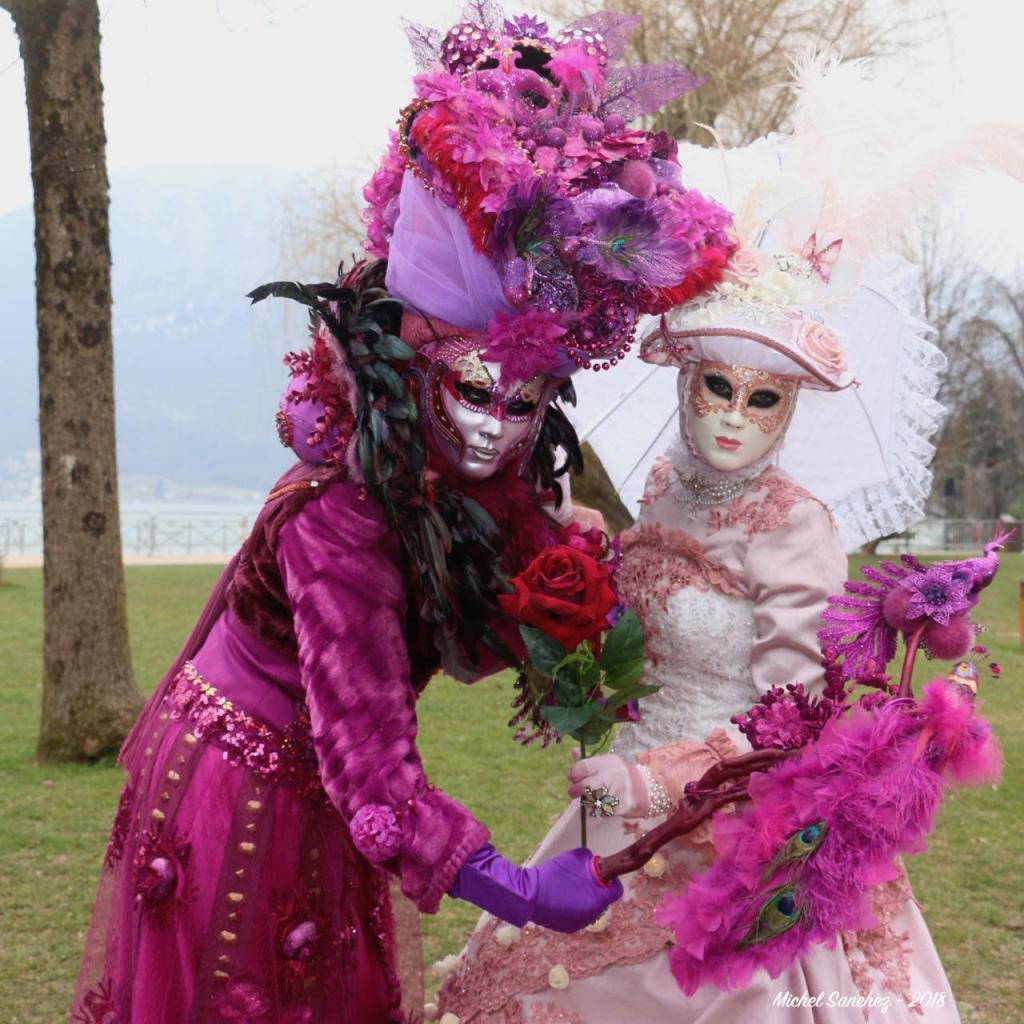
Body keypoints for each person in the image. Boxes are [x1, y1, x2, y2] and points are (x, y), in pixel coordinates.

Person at [70, 7, 735, 1023]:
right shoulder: (343, 517)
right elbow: (372, 769)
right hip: (242, 782)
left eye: (523, 403)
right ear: (418, 368)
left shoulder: (474, 483)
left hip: (318, 789)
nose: (493, 429)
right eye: (473, 391)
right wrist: (514, 888)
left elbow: (500, 616)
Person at [437, 69, 965, 1023]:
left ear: (792, 408)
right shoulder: (659, 489)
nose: (732, 415)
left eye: (763, 397)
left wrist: (652, 778)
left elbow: (790, 718)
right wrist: (582, 571)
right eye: (714, 386)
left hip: (726, 829)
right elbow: (640, 627)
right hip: (611, 801)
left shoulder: (799, 526)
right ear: (680, 379)